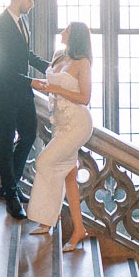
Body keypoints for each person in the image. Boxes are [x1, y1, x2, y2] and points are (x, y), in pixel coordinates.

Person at [26, 22, 94, 251]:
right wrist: (45, 86)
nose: (62, 32)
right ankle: (78, 230)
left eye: (66, 30)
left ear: (75, 36)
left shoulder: (83, 62)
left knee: (44, 161)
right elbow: (53, 82)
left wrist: (56, 90)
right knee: (69, 177)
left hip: (77, 124)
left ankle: (49, 216)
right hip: (60, 123)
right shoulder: (58, 56)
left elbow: (85, 97)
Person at [0, 0, 50, 220]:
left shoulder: (21, 22)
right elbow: (1, 69)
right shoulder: (0, 26)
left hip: (22, 92)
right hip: (5, 91)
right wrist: (31, 82)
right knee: (6, 140)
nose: (32, 4)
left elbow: (26, 55)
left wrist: (50, 68)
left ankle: (9, 183)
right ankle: (11, 194)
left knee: (28, 134)